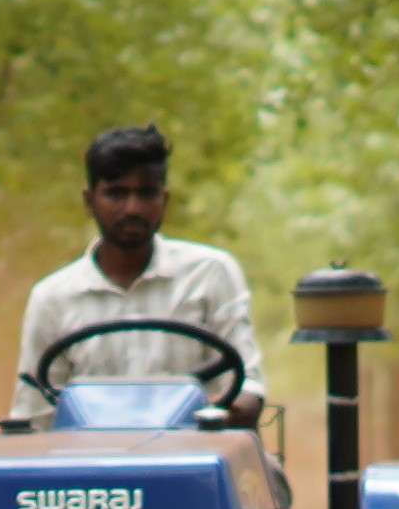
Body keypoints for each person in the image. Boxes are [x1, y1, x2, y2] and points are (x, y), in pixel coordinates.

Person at [14, 122, 262, 406]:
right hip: (93, 449)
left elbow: (247, 382)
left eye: (146, 194)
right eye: (116, 194)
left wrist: (238, 406)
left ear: (164, 200)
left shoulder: (210, 274)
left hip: (195, 444)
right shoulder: (53, 298)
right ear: (89, 201)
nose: (133, 208)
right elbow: (34, 413)